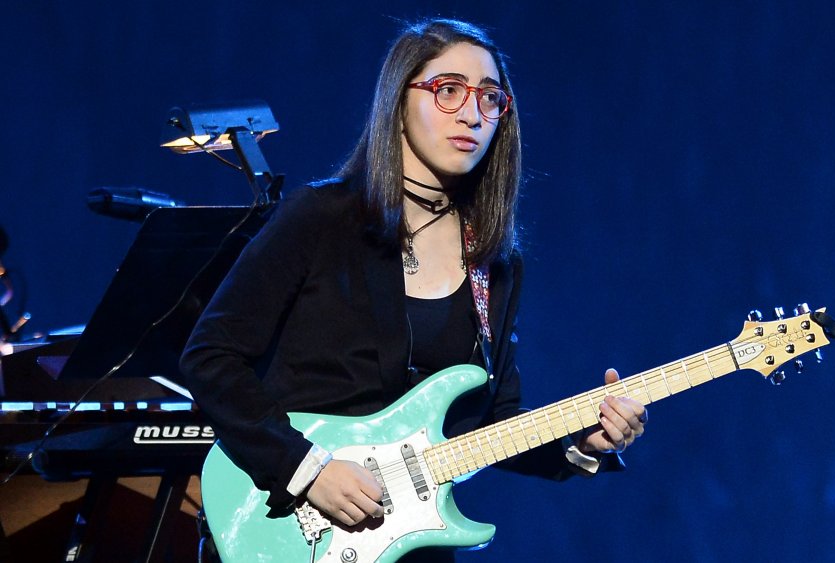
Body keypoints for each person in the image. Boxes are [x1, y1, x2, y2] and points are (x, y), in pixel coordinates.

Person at [180, 18, 648, 561]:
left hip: (408, 544)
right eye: (448, 91)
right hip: (286, 522)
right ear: (399, 101)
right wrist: (307, 470)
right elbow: (211, 357)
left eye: (491, 98)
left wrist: (578, 442)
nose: (472, 114)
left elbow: (490, 422)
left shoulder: (495, 261)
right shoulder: (321, 219)